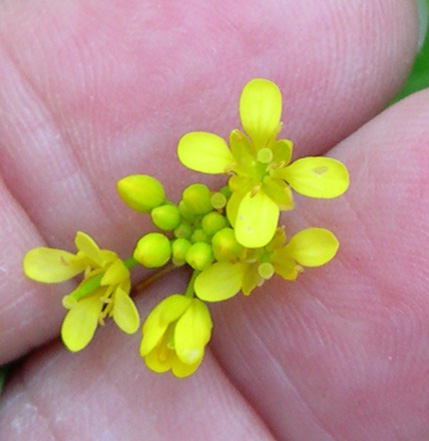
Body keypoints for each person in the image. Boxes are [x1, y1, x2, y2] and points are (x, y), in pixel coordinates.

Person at [0, 0, 427, 439]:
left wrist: (250, 241)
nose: (262, 169)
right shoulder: (225, 231)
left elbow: (233, 243)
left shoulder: (239, 232)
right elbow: (224, 244)